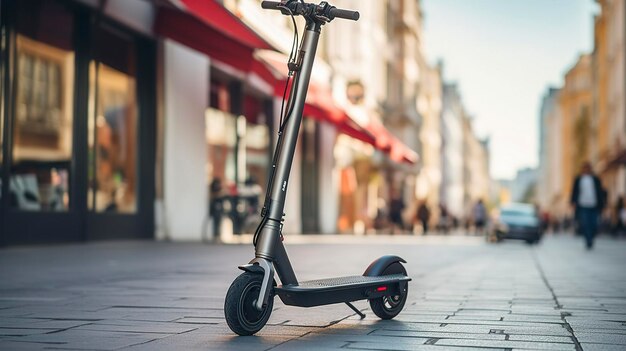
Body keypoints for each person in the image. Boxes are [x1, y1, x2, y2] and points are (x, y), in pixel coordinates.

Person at [570, 162, 605, 249]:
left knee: (594, 223)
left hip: (594, 205)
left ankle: (591, 237)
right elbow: (574, 192)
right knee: (585, 224)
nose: (586, 170)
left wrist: (603, 204)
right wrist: (573, 202)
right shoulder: (578, 179)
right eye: (584, 168)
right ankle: (588, 240)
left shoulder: (595, 179)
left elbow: (600, 192)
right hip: (583, 205)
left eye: (588, 168)